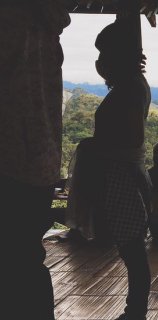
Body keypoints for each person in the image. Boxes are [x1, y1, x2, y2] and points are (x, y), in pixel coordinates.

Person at [66, 20, 152, 320]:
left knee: (133, 253)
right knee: (133, 253)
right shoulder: (132, 86)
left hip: (122, 181)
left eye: (104, 55)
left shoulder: (128, 89)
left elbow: (131, 140)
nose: (99, 63)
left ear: (117, 56)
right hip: (125, 178)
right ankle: (135, 311)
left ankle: (135, 313)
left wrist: (92, 147)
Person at [0, 2, 70, 318]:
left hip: (9, 160)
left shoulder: (11, 20)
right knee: (25, 264)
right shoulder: (45, 24)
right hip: (39, 163)